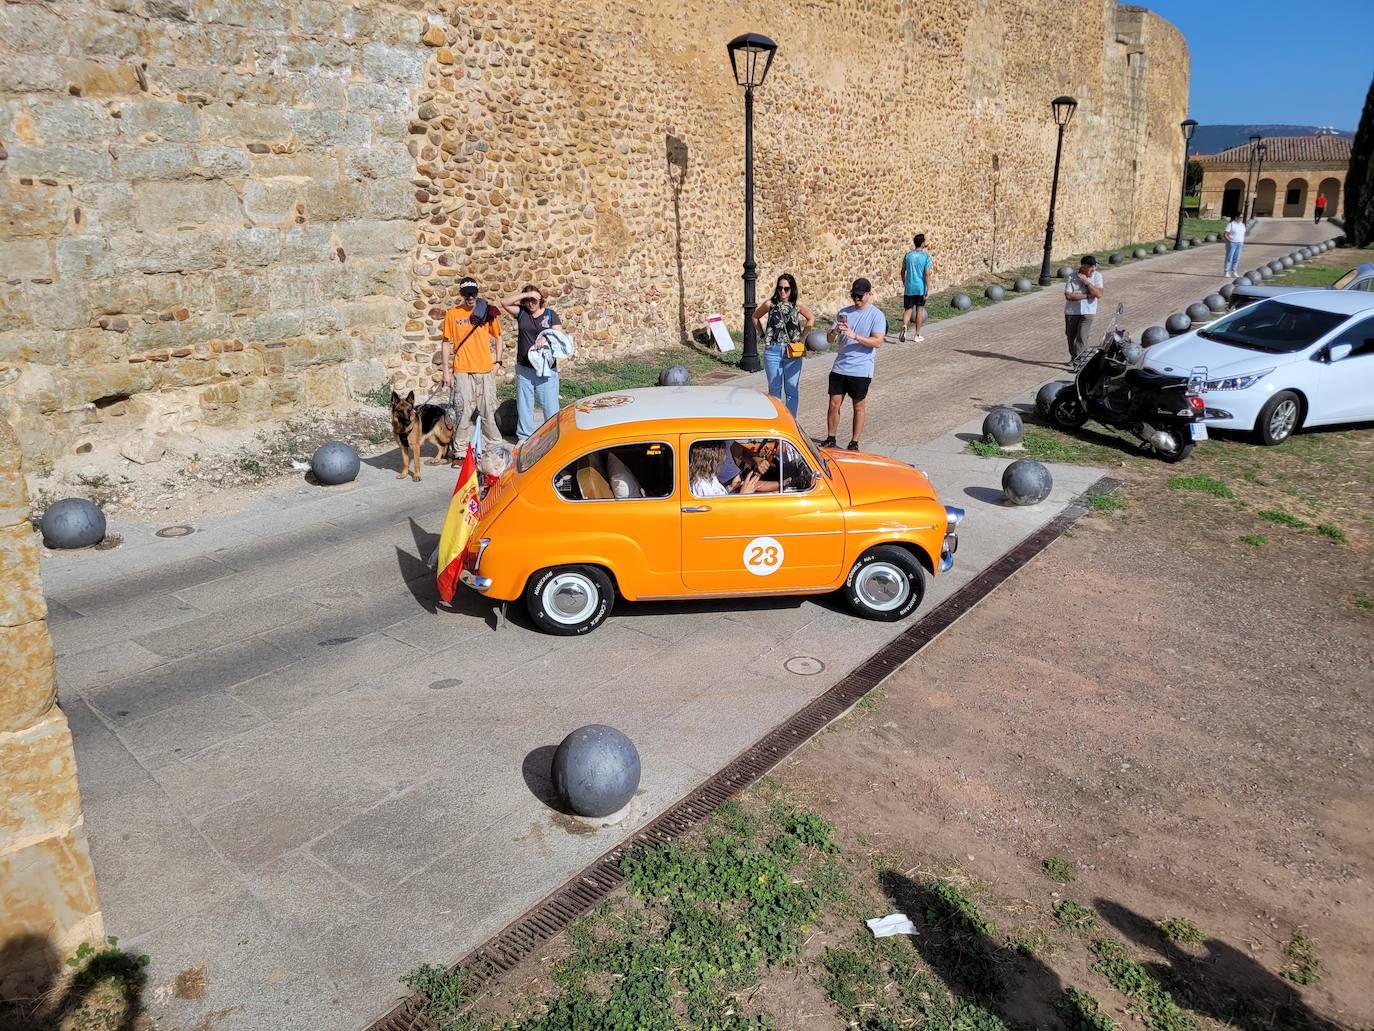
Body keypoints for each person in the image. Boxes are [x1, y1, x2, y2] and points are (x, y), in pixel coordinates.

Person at [823, 277, 886, 451]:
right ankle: (831, 437)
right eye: (854, 296)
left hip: (861, 368)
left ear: (868, 294)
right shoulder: (844, 312)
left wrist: (855, 336)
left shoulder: (876, 315)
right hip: (840, 365)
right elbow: (829, 340)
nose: (856, 299)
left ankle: (854, 442)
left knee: (858, 405)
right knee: (833, 403)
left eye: (860, 296)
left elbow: (878, 342)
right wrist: (835, 330)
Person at [442, 277, 504, 450]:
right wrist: (446, 371)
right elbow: (446, 342)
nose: (470, 297)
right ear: (461, 294)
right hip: (462, 369)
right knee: (463, 411)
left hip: (484, 369)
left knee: (487, 410)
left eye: (473, 294)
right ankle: (461, 449)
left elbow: (498, 336)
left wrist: (498, 361)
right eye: (466, 294)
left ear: (477, 293)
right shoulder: (453, 314)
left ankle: (494, 446)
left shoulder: (487, 312)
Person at [500, 284, 563, 441]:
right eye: (527, 300)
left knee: (550, 407)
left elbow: (559, 336)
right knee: (524, 406)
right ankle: (524, 438)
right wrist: (524, 296)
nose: (530, 303)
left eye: (533, 300)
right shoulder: (522, 313)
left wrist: (546, 336)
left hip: (546, 370)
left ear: (539, 299)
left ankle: (552, 437)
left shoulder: (550, 315)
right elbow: (504, 302)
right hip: (525, 369)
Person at [752, 273, 813, 419]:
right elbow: (755, 317)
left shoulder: (797, 304)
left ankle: (791, 422)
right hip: (773, 350)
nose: (783, 292)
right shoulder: (770, 304)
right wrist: (762, 335)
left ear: (792, 289)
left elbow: (811, 318)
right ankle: (778, 421)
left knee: (791, 389)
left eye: (786, 288)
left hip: (792, 351)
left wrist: (803, 337)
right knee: (774, 389)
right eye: (780, 288)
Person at [1063, 255, 1104, 362]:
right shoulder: (1072, 276)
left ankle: (1081, 362)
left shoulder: (1097, 276)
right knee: (1071, 337)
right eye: (1091, 268)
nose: (1093, 270)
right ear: (1084, 266)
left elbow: (1099, 294)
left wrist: (1087, 282)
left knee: (1082, 336)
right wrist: (1089, 295)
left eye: (1094, 267)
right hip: (1072, 312)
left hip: (1088, 311)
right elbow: (1069, 296)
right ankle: (1075, 358)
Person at [689, 442, 760, 497]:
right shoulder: (702, 486)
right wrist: (743, 494)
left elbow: (717, 496)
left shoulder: (708, 477)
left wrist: (730, 488)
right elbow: (718, 513)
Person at [899, 234, 933, 343]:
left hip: (909, 287)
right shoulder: (926, 257)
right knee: (919, 310)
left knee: (908, 309)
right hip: (920, 288)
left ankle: (904, 325)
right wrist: (928, 289)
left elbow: (902, 271)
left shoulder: (908, 255)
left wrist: (904, 281)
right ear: (923, 243)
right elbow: (927, 274)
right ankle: (917, 335)